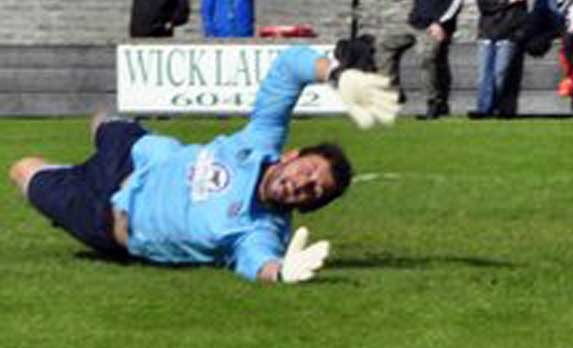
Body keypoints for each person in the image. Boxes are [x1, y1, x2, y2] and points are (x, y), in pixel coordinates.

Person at [7, 39, 398, 283]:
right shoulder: (260, 141)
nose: (302, 184)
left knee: (22, 169)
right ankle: (99, 144)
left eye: (314, 192)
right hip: (137, 155)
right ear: (292, 156)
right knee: (103, 119)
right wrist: (336, 73)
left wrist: (282, 273)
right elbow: (287, 69)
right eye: (308, 172)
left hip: (106, 218)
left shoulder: (259, 231)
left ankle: (70, 176)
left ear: (307, 206)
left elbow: (259, 263)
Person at [379, 0, 463, 119]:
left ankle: (433, 101)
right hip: (415, 23)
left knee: (427, 57)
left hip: (435, 27)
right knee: (384, 44)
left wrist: (441, 23)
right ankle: (393, 92)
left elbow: (457, 0)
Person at [470, 0, 527, 119]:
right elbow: (484, 6)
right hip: (487, 32)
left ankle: (495, 107)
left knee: (499, 75)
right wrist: (507, 1)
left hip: (508, 33)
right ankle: (483, 109)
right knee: (483, 76)